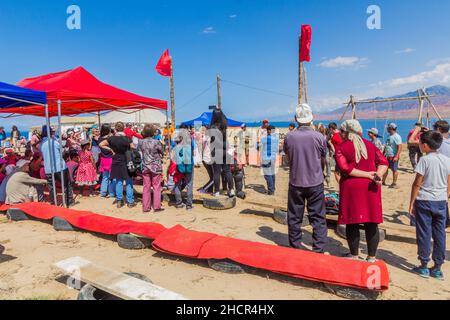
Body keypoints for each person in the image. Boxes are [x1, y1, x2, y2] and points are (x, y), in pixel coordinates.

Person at [336, 120, 389, 262]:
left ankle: (354, 254)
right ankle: (371, 257)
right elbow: (384, 162)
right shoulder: (370, 145)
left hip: (351, 188)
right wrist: (377, 174)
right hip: (371, 188)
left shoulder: (342, 147)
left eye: (342, 132)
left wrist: (367, 174)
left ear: (346, 132)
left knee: (351, 222)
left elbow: (345, 168)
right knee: (371, 222)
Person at [283, 104, 328, 254]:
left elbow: (288, 158)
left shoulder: (289, 137)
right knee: (318, 218)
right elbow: (323, 159)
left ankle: (295, 247)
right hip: (315, 181)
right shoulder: (319, 137)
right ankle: (318, 248)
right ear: (311, 118)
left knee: (295, 217)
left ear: (296, 119)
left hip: (296, 181)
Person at [409, 131, 450, 280]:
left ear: (424, 145)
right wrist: (445, 196)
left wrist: (412, 202)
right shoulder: (446, 160)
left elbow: (417, 183)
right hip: (441, 201)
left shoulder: (424, 160)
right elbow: (448, 181)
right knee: (440, 234)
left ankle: (424, 265)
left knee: (424, 233)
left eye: (420, 143)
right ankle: (438, 267)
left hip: (424, 201)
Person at [99, 122, 136, 208]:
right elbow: (133, 147)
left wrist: (110, 149)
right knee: (129, 182)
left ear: (115, 129)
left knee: (119, 181)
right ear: (123, 128)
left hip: (116, 162)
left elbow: (101, 144)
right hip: (127, 161)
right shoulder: (127, 138)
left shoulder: (111, 139)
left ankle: (119, 201)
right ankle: (130, 202)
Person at [41, 125, 73, 207]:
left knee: (51, 187)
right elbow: (62, 153)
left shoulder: (41, 144)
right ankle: (69, 201)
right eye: (53, 132)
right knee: (66, 185)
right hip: (59, 167)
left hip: (48, 168)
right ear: (50, 133)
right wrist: (66, 148)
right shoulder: (54, 142)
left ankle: (53, 202)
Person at [139, 124, 164, 213]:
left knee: (146, 187)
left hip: (145, 166)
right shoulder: (156, 142)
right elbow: (162, 152)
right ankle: (157, 206)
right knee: (157, 186)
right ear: (153, 132)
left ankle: (146, 207)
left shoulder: (141, 142)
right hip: (155, 166)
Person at [210, 110, 234, 197]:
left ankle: (216, 191)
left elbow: (214, 141)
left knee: (216, 173)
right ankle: (231, 190)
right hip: (225, 150)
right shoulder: (224, 125)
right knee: (227, 171)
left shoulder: (213, 127)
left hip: (217, 151)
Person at [172, 128, 195, 210]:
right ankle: (189, 205)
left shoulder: (176, 145)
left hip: (179, 166)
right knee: (189, 184)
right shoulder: (190, 144)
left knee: (177, 184)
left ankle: (178, 203)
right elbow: (193, 153)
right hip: (189, 165)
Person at [382, 123, 403, 188]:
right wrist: (383, 153)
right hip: (387, 156)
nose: (387, 129)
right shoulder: (389, 136)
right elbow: (387, 145)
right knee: (385, 169)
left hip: (393, 156)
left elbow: (399, 146)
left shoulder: (397, 136)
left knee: (394, 170)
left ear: (391, 128)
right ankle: (383, 181)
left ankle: (394, 183)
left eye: (388, 128)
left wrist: (396, 156)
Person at [260, 125, 279, 195]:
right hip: (273, 158)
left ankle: (271, 190)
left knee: (268, 175)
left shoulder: (265, 138)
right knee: (272, 174)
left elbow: (257, 146)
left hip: (266, 158)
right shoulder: (276, 138)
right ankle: (272, 188)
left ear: (268, 131)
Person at [98, 124, 115, 199]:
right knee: (112, 177)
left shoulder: (99, 138)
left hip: (103, 159)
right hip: (110, 159)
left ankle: (103, 193)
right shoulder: (110, 138)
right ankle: (111, 193)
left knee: (105, 177)